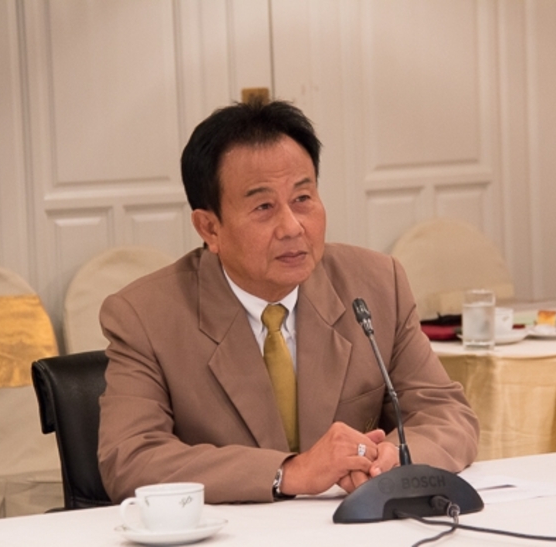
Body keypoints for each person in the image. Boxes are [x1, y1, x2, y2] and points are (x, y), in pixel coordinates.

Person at [97, 99, 479, 504]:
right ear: (209, 228)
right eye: (263, 207)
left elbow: (448, 415)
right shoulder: (144, 316)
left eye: (302, 199)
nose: (292, 227)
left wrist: (395, 457)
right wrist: (288, 472)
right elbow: (130, 459)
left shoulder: (377, 285)